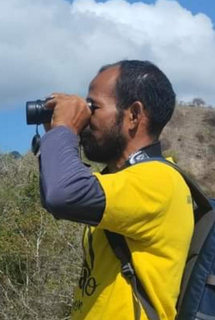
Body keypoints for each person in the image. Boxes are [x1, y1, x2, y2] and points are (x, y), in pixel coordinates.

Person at [39, 60, 193, 320]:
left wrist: (64, 130)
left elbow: (62, 194)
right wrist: (56, 135)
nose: (86, 119)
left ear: (133, 114)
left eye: (93, 107)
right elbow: (55, 191)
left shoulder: (158, 179)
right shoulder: (123, 180)